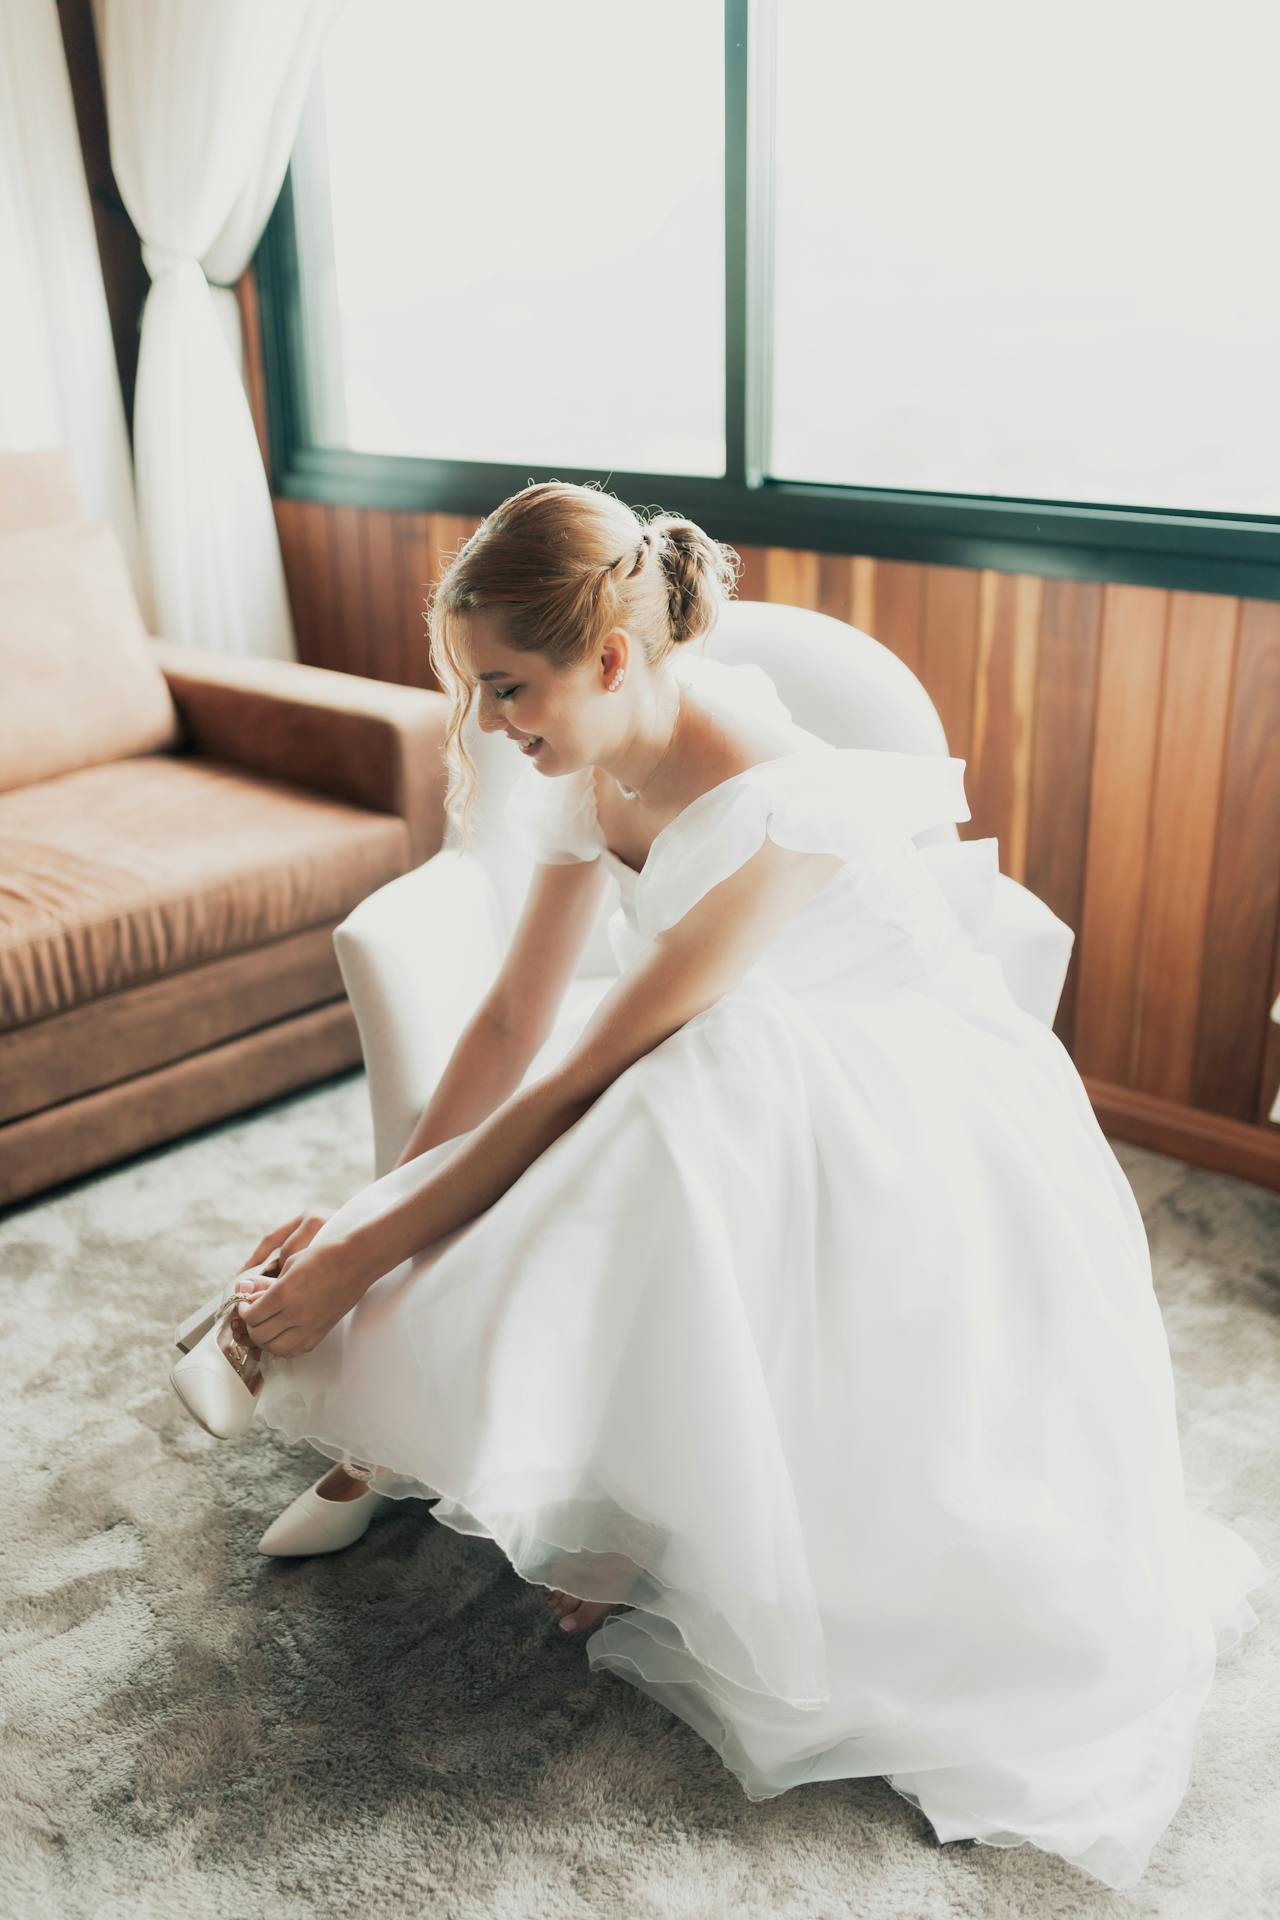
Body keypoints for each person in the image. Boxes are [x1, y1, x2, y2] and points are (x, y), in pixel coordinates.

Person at [224, 480, 1266, 1890]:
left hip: (911, 1105)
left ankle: (607, 1512)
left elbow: (592, 1066)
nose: (492, 725)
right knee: (671, 1087)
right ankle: (422, 1441)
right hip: (741, 1062)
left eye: (510, 689)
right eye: (481, 692)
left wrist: (360, 1259)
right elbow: (512, 1024)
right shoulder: (597, 764)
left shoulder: (785, 804)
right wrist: (366, 1218)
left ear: (606, 659)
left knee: (675, 1094)